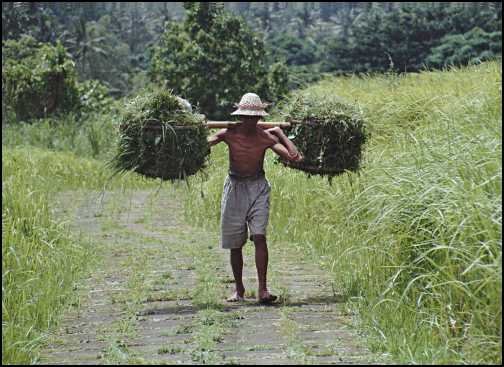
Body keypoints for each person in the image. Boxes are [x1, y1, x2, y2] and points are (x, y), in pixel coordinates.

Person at [207, 92, 303, 304]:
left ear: (260, 118)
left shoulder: (266, 137)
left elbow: (294, 157)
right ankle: (239, 289)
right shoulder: (228, 134)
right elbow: (205, 144)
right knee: (235, 243)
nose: (250, 121)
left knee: (259, 236)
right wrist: (198, 132)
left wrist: (280, 133)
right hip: (234, 188)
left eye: (254, 117)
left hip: (258, 187)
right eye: (246, 117)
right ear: (240, 116)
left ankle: (263, 290)